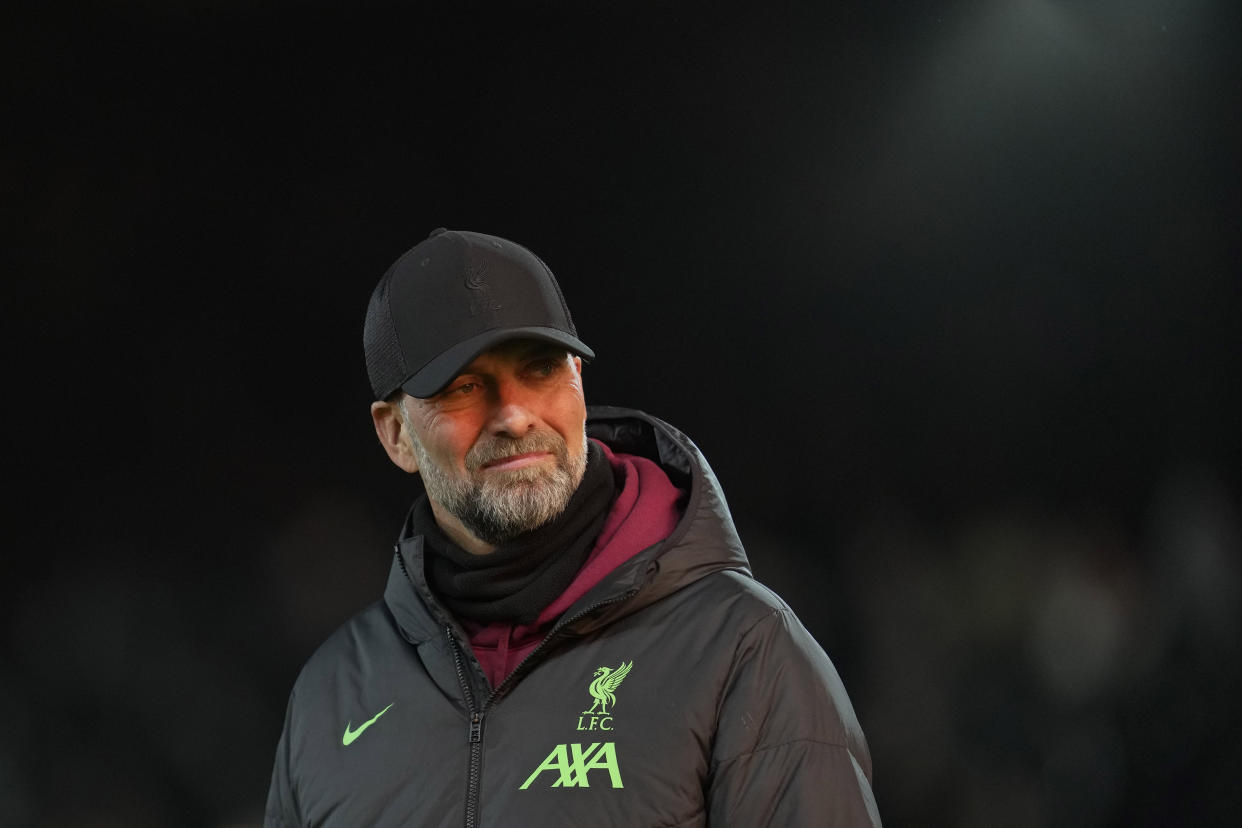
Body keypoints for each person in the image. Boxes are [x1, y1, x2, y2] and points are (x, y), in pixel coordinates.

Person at [264, 228, 882, 827]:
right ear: (396, 434)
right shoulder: (330, 696)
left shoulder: (741, 648)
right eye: (465, 386)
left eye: (539, 369)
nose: (512, 413)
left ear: (578, 383)